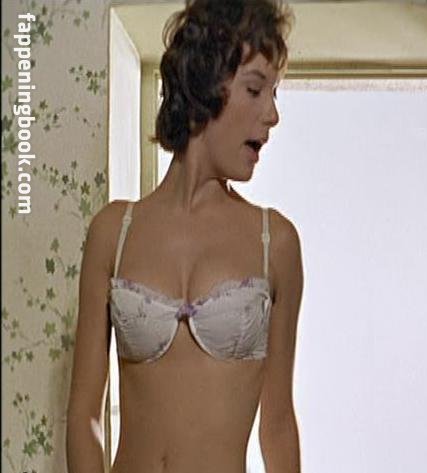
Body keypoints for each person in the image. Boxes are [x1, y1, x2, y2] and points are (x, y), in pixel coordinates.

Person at [66, 1, 302, 472]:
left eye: (274, 94)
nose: (273, 115)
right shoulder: (114, 233)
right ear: (205, 82)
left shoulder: (274, 243)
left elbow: (276, 424)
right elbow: (85, 414)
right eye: (256, 89)